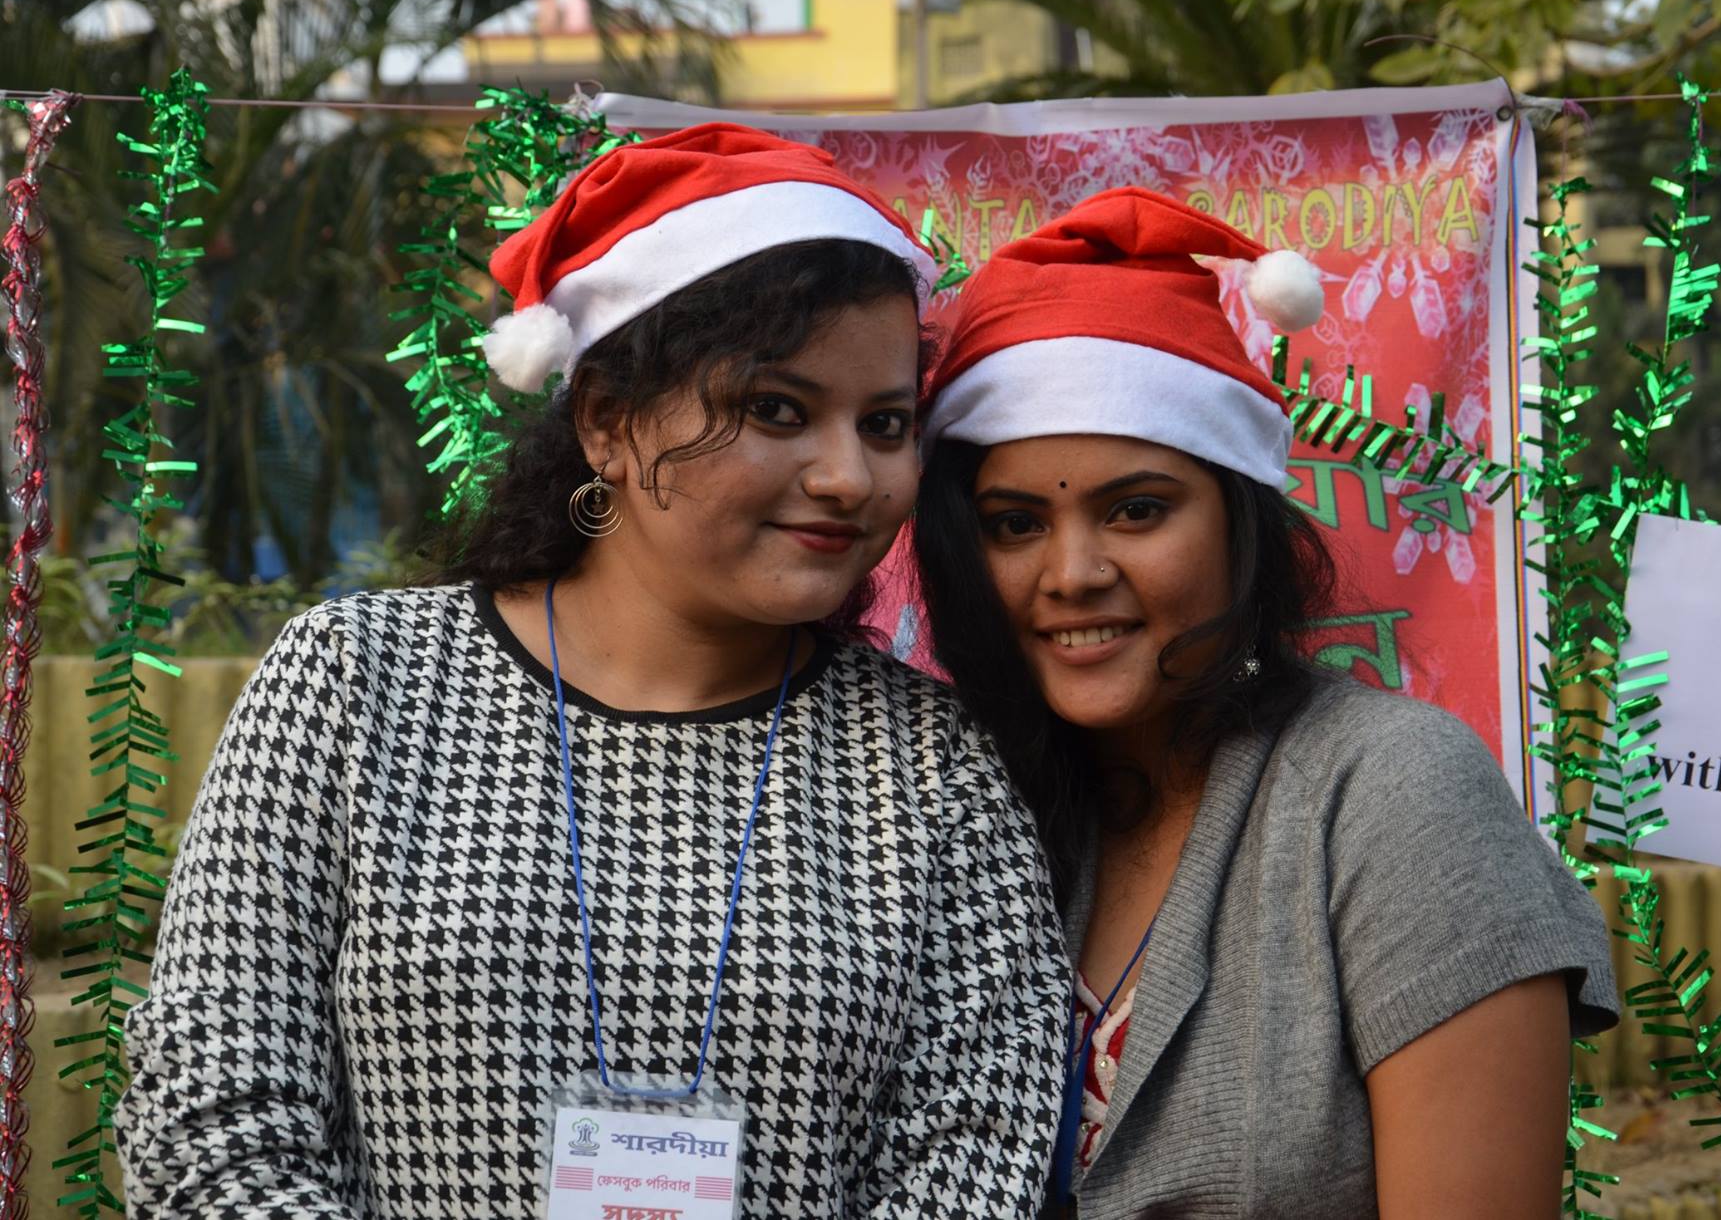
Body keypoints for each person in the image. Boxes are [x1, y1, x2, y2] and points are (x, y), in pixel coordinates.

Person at [117, 124, 1067, 1219]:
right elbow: (211, 1124)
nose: (851, 476)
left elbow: (972, 1164)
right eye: (777, 409)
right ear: (608, 419)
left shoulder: (932, 772)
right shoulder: (354, 687)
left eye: (886, 423)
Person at [911, 187, 1620, 1219]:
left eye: (1136, 510)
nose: (1071, 575)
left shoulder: (1395, 795)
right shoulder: (961, 802)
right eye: (1015, 524)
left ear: (1240, 523)